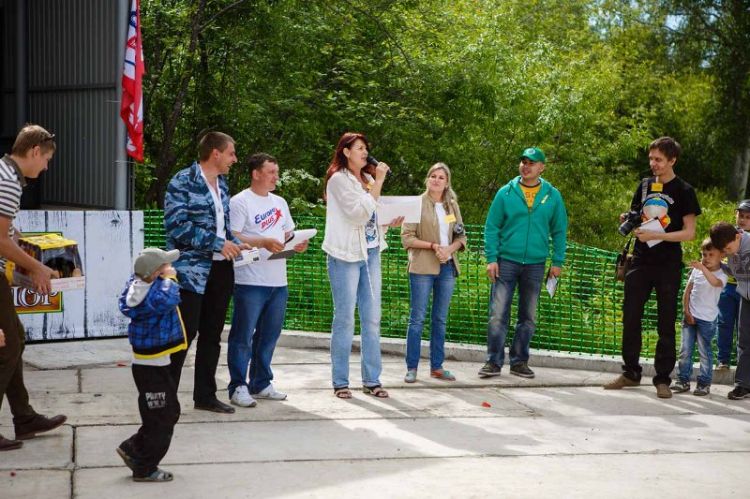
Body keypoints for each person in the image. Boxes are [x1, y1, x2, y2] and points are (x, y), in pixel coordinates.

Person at [604, 137, 700, 399]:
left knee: (665, 322)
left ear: (672, 160)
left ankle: (662, 379)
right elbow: (637, 214)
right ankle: (630, 372)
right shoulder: (645, 185)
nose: (653, 164)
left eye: (659, 159)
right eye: (651, 158)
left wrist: (658, 236)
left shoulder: (684, 190)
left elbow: (690, 233)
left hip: (668, 264)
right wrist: (628, 218)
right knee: (630, 316)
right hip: (640, 260)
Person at [164, 131, 247, 414]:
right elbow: (177, 226)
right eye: (231, 153)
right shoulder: (182, 181)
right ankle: (166, 399)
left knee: (212, 335)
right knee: (183, 334)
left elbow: (221, 228)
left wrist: (235, 244)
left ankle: (205, 396)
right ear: (215, 153)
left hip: (221, 269)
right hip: (190, 272)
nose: (235, 159)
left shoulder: (222, 184)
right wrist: (218, 243)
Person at [0, 124, 66, 451]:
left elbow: (6, 235)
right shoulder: (9, 183)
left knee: (15, 339)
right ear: (35, 151)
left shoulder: (5, 173)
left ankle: (24, 417)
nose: (46, 167)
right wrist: (37, 267)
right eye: (47, 160)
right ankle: (23, 417)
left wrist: (22, 248)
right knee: (7, 346)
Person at [322, 132, 402, 399]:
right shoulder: (338, 180)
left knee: (372, 318)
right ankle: (340, 382)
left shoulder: (367, 179)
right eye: (359, 148)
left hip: (371, 253)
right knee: (345, 318)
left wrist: (388, 222)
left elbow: (372, 217)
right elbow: (357, 214)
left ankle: (372, 380)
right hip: (345, 255)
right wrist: (379, 181)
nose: (365, 152)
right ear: (346, 152)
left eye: (366, 148)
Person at [226, 153, 308, 408]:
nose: (276, 177)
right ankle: (237, 386)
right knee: (243, 335)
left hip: (278, 279)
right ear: (256, 173)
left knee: (269, 335)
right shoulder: (240, 201)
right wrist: (262, 242)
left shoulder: (279, 202)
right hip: (249, 279)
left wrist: (297, 244)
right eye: (271, 172)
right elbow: (233, 236)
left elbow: (287, 234)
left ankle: (261, 382)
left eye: (276, 172)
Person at [479, 147, 568, 379]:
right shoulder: (505, 192)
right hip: (506, 261)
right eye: (523, 162)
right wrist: (491, 258)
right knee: (498, 313)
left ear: (542, 167)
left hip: (536, 264)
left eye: (531, 163)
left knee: (528, 316)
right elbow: (491, 227)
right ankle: (493, 362)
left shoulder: (553, 195)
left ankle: (519, 362)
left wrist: (557, 261)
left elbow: (559, 231)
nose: (526, 166)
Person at [117, 248, 187, 482]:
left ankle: (133, 448)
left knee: (166, 412)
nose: (170, 268)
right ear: (156, 273)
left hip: (153, 363)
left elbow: (144, 280)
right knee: (161, 419)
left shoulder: (138, 285)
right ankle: (144, 467)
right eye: (165, 266)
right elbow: (168, 298)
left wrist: (159, 274)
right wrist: (170, 278)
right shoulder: (157, 293)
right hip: (151, 367)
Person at [401, 163, 467, 383]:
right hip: (422, 267)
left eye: (441, 177)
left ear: (447, 183)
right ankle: (412, 367)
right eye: (433, 176)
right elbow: (407, 238)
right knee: (417, 319)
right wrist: (433, 246)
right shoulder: (415, 204)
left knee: (440, 319)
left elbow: (461, 236)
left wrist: (449, 249)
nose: (436, 180)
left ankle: (437, 367)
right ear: (427, 179)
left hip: (447, 267)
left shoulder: (451, 206)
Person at [672, 238, 727, 396]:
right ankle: (683, 380)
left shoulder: (722, 274)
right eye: (704, 254)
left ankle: (704, 383)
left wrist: (702, 268)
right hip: (690, 317)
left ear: (721, 256)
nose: (706, 258)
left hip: (707, 321)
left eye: (711, 254)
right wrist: (686, 311)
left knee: (704, 352)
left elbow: (715, 283)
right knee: (685, 350)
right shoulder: (697, 271)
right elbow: (687, 291)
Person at [709, 222, 750, 400]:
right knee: (744, 342)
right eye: (723, 250)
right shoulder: (731, 249)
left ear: (738, 236)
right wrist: (718, 266)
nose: (727, 252)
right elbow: (737, 273)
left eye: (728, 248)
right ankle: (743, 385)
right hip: (746, 297)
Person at [716, 200, 750, 370]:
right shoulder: (727, 235)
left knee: (743, 330)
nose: (743, 220)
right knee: (724, 323)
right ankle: (723, 360)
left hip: (746, 289)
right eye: (740, 215)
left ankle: (741, 365)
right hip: (729, 286)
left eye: (748, 217)